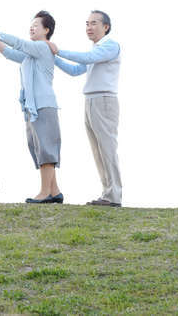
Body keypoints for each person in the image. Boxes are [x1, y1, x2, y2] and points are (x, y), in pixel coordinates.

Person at [0, 12, 64, 204]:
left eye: (36, 25)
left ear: (46, 30)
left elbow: (18, 43)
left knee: (46, 149)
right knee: (40, 148)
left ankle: (44, 193)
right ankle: (54, 191)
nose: (31, 28)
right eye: (31, 25)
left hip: (44, 105)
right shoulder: (30, 55)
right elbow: (9, 52)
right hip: (33, 107)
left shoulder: (41, 47)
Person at [47, 10, 122, 207]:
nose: (89, 27)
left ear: (106, 27)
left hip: (104, 101)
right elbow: (74, 70)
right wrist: (52, 57)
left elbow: (87, 58)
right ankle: (108, 194)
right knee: (97, 151)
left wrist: (58, 50)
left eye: (94, 23)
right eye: (87, 23)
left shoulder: (109, 46)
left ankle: (114, 196)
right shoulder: (95, 51)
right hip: (90, 100)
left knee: (107, 149)